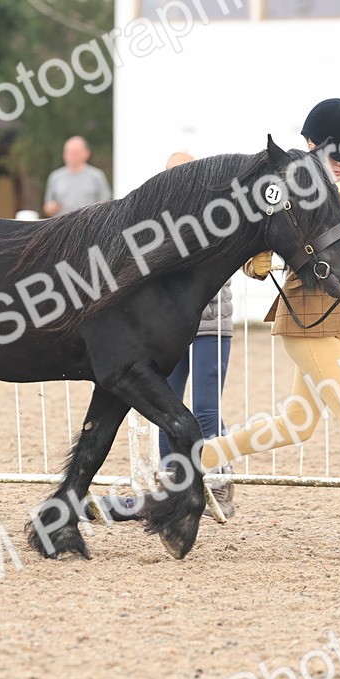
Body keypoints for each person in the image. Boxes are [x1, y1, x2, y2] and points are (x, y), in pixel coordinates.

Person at [199, 98, 340, 558]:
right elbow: (253, 252)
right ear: (310, 146)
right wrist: (256, 262)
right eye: (334, 155)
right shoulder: (292, 196)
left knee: (297, 423)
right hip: (303, 318)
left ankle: (199, 459)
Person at [95, 151, 236, 522]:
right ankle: (174, 484)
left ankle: (219, 478)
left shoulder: (219, 215)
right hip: (167, 330)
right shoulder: (156, 219)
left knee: (206, 408)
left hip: (210, 325)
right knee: (166, 407)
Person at [42, 136, 111, 217]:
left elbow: (106, 205)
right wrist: (50, 208)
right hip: (62, 227)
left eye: (75, 152)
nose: (71, 155)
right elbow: (47, 206)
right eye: (68, 152)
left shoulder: (97, 176)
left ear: (86, 153)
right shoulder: (55, 177)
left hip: (88, 226)